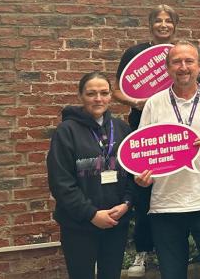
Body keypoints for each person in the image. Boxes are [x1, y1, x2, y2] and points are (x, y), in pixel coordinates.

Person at [134, 41, 200, 279]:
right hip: (165, 204)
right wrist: (141, 177)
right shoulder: (154, 103)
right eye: (177, 62)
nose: (183, 67)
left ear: (199, 67)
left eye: (189, 61)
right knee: (172, 274)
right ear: (168, 68)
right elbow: (141, 154)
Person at [112, 4, 179, 277]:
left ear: (175, 25)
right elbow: (115, 89)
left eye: (168, 21)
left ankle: (175, 251)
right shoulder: (134, 53)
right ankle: (142, 252)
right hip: (143, 130)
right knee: (145, 191)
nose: (163, 25)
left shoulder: (181, 54)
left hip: (176, 131)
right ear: (150, 24)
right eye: (158, 21)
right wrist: (134, 101)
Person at [47, 72, 135, 279]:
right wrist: (92, 215)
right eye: (91, 93)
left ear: (110, 96)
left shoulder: (122, 129)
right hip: (79, 225)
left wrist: (127, 203)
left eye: (104, 93)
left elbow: (133, 173)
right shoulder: (66, 132)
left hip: (116, 222)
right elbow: (61, 183)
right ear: (80, 96)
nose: (98, 99)